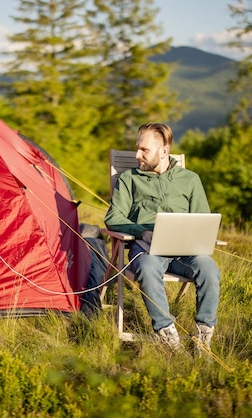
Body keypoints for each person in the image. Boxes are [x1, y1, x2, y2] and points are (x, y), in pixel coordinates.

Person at [104, 122, 220, 351]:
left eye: (144, 150)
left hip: (184, 252)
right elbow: (113, 217)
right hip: (147, 250)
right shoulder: (129, 179)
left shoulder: (190, 179)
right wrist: (142, 232)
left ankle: (203, 335)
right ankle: (167, 334)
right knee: (147, 267)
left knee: (209, 268)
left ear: (164, 150)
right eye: (137, 148)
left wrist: (204, 236)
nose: (137, 154)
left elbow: (202, 218)